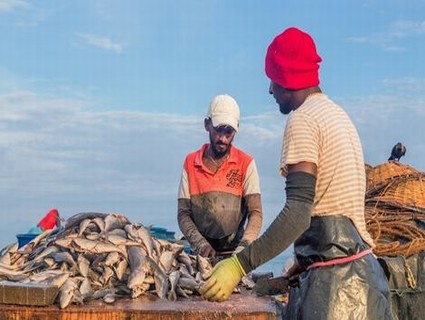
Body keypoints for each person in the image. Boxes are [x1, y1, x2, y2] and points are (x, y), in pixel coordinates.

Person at [200, 27, 392, 319]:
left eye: (273, 80)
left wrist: (239, 266)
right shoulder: (337, 116)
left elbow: (299, 212)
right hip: (365, 283)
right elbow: (335, 212)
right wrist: (303, 262)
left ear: (287, 79)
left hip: (335, 295)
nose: (270, 90)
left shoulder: (303, 120)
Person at [177, 94, 263, 258]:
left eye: (229, 132)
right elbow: (183, 214)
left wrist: (243, 248)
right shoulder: (190, 162)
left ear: (236, 128)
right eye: (218, 131)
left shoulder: (246, 163)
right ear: (207, 124)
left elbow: (256, 213)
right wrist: (200, 243)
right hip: (200, 256)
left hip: (234, 253)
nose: (223, 138)